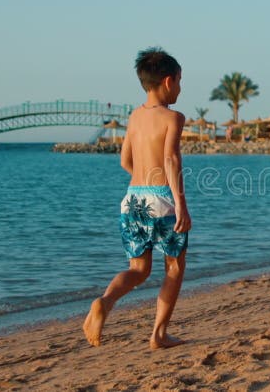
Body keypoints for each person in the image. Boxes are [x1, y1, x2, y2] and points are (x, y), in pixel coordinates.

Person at [83, 47, 191, 349]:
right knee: (174, 267)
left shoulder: (133, 117)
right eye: (180, 82)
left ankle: (105, 302)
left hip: (132, 199)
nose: (181, 89)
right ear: (168, 81)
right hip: (161, 200)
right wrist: (179, 204)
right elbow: (171, 160)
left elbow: (124, 161)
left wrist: (142, 181)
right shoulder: (173, 117)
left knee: (138, 269)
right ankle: (158, 334)